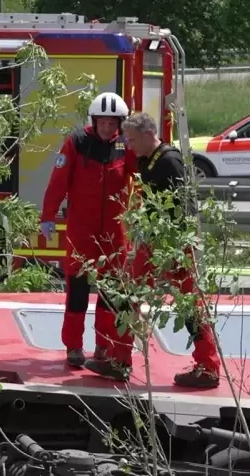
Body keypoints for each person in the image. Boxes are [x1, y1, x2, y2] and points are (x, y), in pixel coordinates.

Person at [87, 112, 222, 388]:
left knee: (189, 305)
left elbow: (186, 209)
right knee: (128, 294)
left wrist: (173, 249)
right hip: (152, 240)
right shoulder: (147, 159)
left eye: (133, 140)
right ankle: (119, 360)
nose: (130, 145)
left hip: (173, 243)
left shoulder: (169, 161)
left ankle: (208, 367)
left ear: (149, 134)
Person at [40, 92, 136, 368]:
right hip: (81, 231)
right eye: (103, 122)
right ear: (94, 120)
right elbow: (58, 181)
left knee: (110, 293)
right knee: (78, 290)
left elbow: (140, 178)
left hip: (115, 233)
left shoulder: (125, 145)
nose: (108, 128)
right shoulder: (76, 143)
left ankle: (103, 348)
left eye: (112, 123)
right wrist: (48, 216)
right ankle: (73, 346)